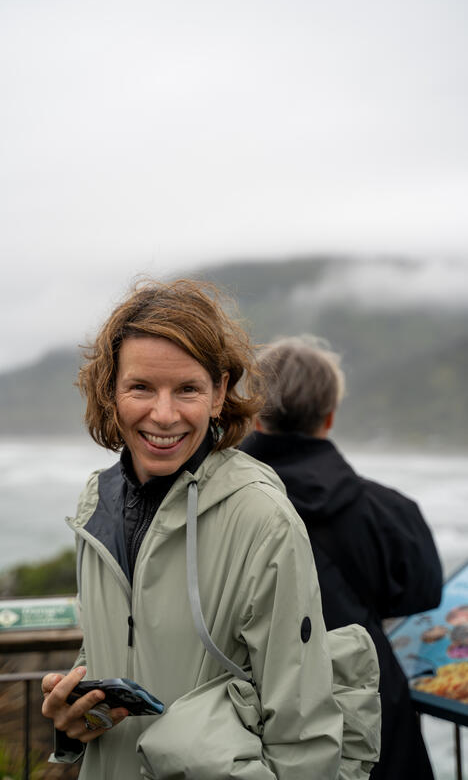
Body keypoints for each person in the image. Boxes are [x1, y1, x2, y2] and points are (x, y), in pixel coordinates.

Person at [41, 281, 344, 779]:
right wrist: (77, 717)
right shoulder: (97, 501)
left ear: (220, 392)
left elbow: (302, 726)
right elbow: (124, 652)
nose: (164, 414)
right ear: (110, 390)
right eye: (141, 387)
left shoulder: (261, 517)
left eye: (187, 389)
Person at [239, 335, 443, 780]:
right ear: (329, 417)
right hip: (370, 710)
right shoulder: (390, 512)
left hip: (245, 713)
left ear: (254, 413)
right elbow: (423, 594)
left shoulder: (215, 505)